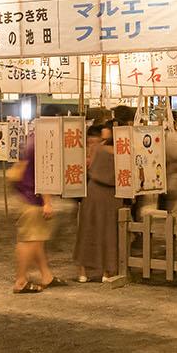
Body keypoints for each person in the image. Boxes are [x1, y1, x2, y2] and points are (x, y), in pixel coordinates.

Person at [9, 127, 60, 291]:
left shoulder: (33, 137)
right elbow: (44, 172)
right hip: (32, 197)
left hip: (25, 193)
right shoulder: (45, 143)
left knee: (36, 239)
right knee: (28, 240)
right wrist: (47, 201)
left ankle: (46, 276)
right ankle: (20, 281)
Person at [74, 121, 120, 283]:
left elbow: (89, 167)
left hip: (93, 191)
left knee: (88, 230)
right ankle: (108, 271)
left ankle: (83, 271)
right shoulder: (123, 151)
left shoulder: (97, 149)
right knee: (110, 233)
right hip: (113, 194)